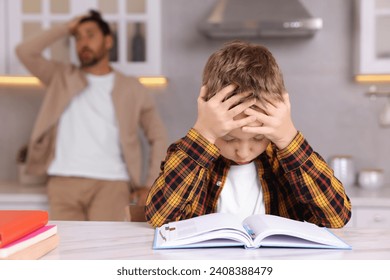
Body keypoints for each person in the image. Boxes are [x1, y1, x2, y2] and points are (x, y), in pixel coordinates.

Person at [145, 41, 351, 228]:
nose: (243, 152)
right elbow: (160, 219)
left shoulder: (284, 158)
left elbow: (336, 217)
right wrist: (204, 133)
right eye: (229, 138)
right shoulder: (190, 154)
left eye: (258, 137)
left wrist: (289, 138)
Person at [16, 10, 167, 221]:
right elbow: (24, 51)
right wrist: (65, 28)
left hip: (112, 185)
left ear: (108, 41)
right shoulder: (61, 77)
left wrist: (151, 184)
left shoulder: (132, 88)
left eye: (90, 35)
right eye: (77, 37)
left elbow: (157, 136)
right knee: (65, 252)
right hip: (63, 183)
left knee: (104, 253)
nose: (83, 42)